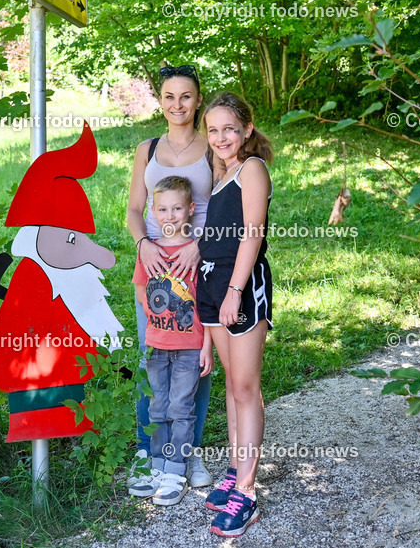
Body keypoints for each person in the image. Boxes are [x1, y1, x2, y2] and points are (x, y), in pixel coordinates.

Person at [126, 65, 215, 489]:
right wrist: (143, 243)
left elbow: (226, 207)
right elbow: (133, 209)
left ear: (198, 101)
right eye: (169, 96)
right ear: (159, 101)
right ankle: (149, 453)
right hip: (155, 271)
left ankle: (188, 453)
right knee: (153, 361)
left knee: (194, 363)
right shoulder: (146, 148)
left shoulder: (213, 148)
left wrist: (201, 245)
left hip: (201, 268)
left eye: (186, 96)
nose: (177, 104)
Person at [197, 93, 273, 537]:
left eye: (230, 128)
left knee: (246, 388)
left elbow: (252, 235)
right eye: (213, 129)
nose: (221, 137)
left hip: (239, 290)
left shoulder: (252, 170)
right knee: (231, 385)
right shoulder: (221, 173)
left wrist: (233, 292)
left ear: (246, 129)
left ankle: (246, 490)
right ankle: (234, 467)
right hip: (213, 289)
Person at [128, 176, 213, 505]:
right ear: (152, 210)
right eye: (163, 209)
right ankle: (160, 464)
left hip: (189, 348)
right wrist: (154, 330)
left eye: (177, 208)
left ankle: (177, 467)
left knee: (181, 407)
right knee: (158, 406)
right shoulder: (148, 253)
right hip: (156, 347)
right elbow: (141, 292)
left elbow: (206, 304)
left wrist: (207, 345)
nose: (170, 215)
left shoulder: (196, 256)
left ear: (191, 210)